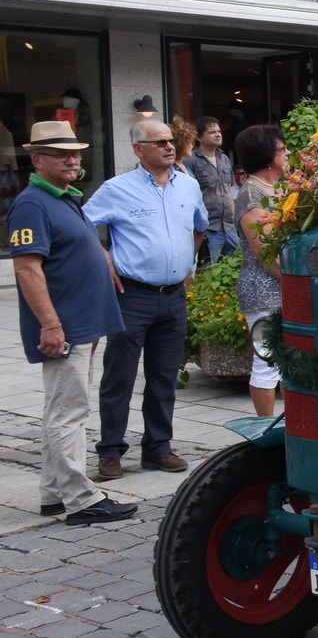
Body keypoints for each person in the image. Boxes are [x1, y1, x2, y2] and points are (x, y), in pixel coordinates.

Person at [8, 122, 137, 526]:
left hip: (81, 324)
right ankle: (82, 500)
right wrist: (50, 325)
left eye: (76, 152)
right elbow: (28, 270)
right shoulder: (31, 203)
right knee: (69, 412)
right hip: (65, 328)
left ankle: (53, 493)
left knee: (61, 409)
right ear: (37, 160)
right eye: (61, 153)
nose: (72, 158)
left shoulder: (63, 198)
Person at [83, 120, 207, 479]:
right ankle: (110, 452)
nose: (170, 148)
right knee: (119, 378)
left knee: (164, 378)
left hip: (173, 298)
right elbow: (82, 224)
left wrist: (189, 262)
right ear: (139, 149)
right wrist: (104, 257)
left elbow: (200, 226)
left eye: (171, 142)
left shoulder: (188, 185)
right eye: (160, 143)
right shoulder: (117, 189)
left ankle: (157, 448)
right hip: (131, 296)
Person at [234, 125, 287, 417]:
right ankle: (264, 426)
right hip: (265, 290)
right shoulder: (251, 193)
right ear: (267, 156)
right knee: (267, 363)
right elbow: (267, 254)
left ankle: (294, 425)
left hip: (286, 285)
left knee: (290, 362)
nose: (288, 152)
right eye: (282, 149)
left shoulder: (279, 188)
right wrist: (298, 286)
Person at [183, 117, 237, 260]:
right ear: (199, 137)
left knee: (237, 264)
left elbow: (229, 191)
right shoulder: (190, 161)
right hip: (208, 227)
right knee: (209, 268)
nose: (218, 134)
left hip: (229, 225)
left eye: (219, 131)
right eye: (212, 132)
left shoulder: (224, 158)